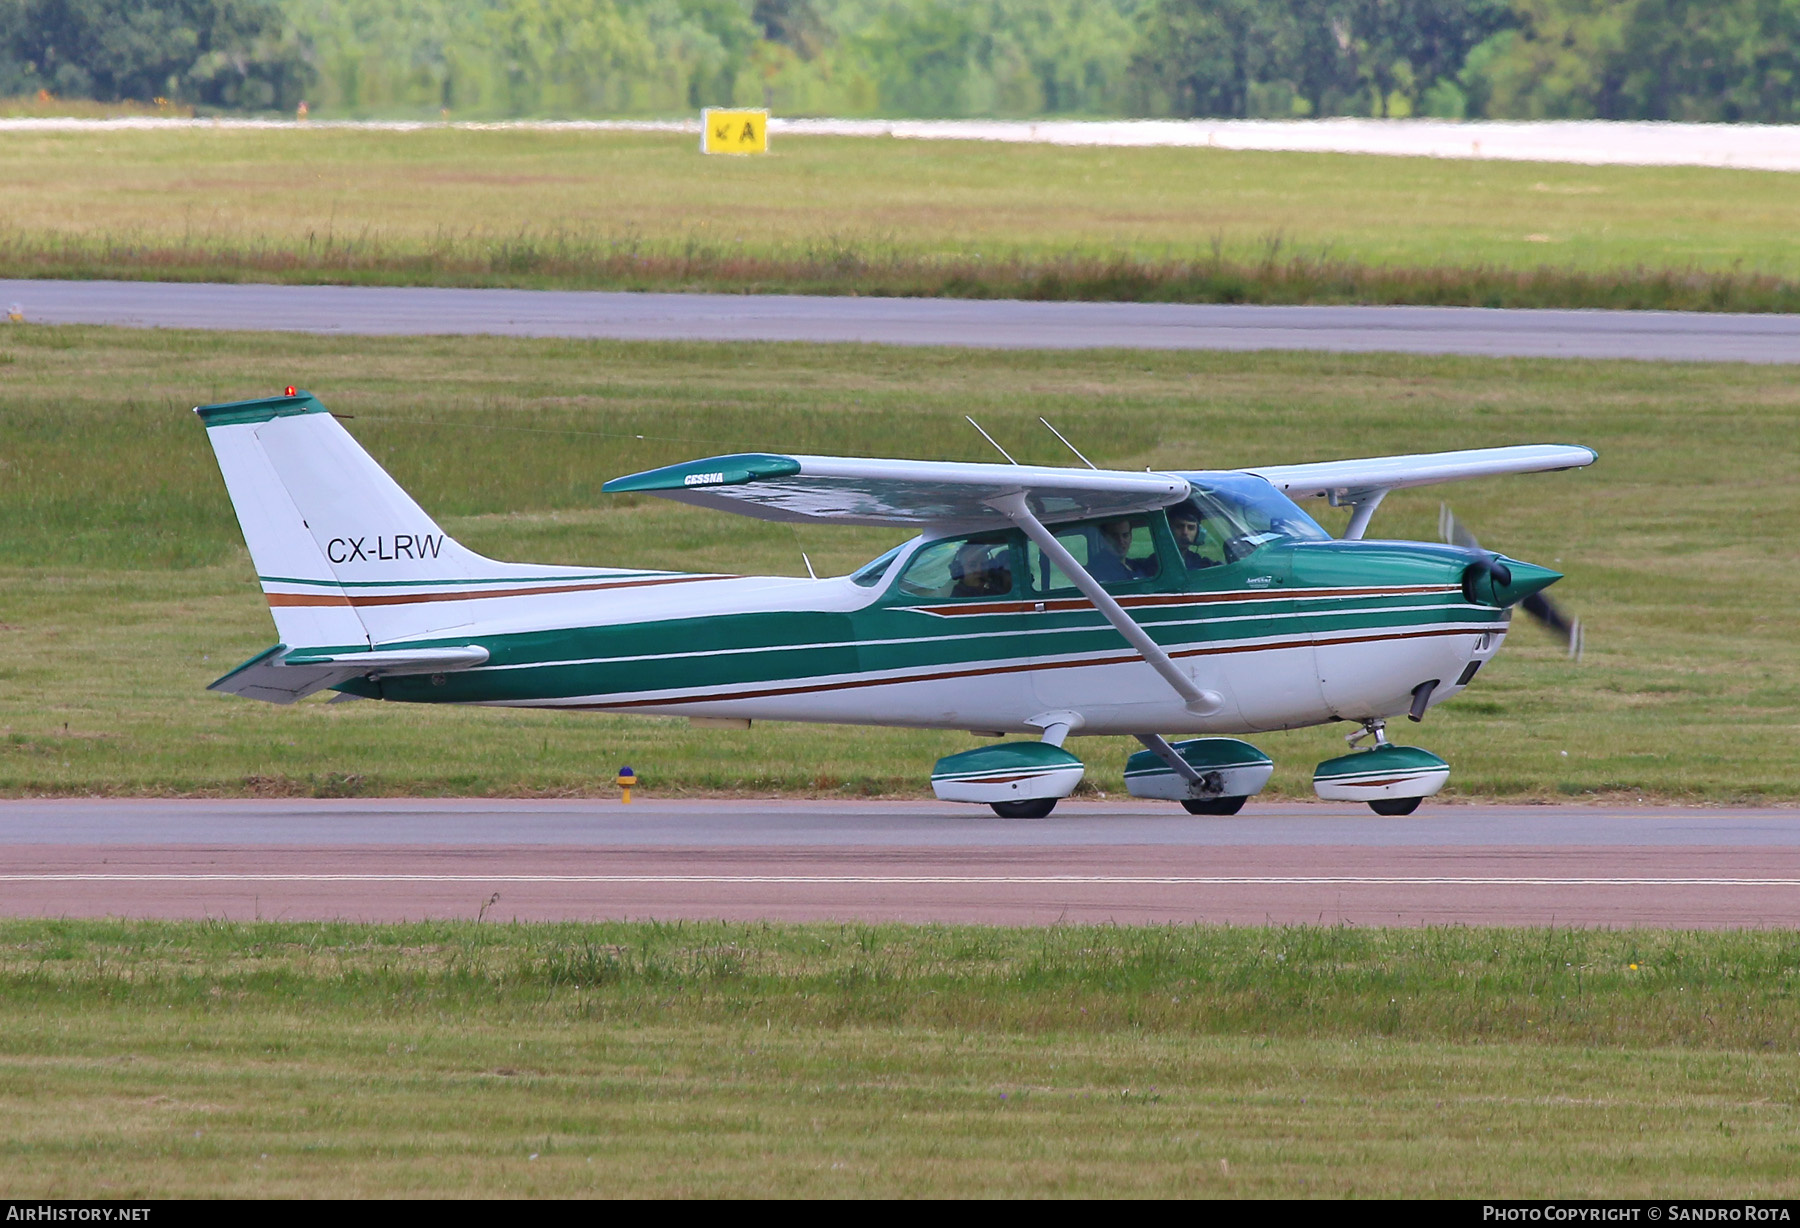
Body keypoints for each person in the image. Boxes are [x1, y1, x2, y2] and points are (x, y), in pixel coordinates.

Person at [1089, 518, 1153, 583]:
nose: (1121, 541)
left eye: (1125, 535)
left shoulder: (1134, 565)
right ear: (1104, 539)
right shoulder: (1099, 569)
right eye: (1114, 536)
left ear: (1130, 537)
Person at [1169, 502, 1217, 570]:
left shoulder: (1199, 562)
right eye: (1179, 526)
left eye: (1191, 528)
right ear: (1169, 529)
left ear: (1198, 533)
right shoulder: (1153, 565)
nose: (1185, 532)